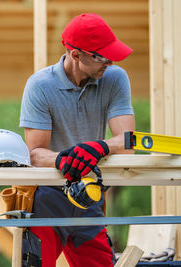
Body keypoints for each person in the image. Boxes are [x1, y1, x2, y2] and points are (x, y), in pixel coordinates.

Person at [19, 13, 135, 267]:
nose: (110, 62)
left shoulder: (114, 78)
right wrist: (64, 159)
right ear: (76, 54)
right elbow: (35, 153)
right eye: (102, 56)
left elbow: (128, 142)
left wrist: (100, 146)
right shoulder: (39, 86)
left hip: (89, 196)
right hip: (47, 199)